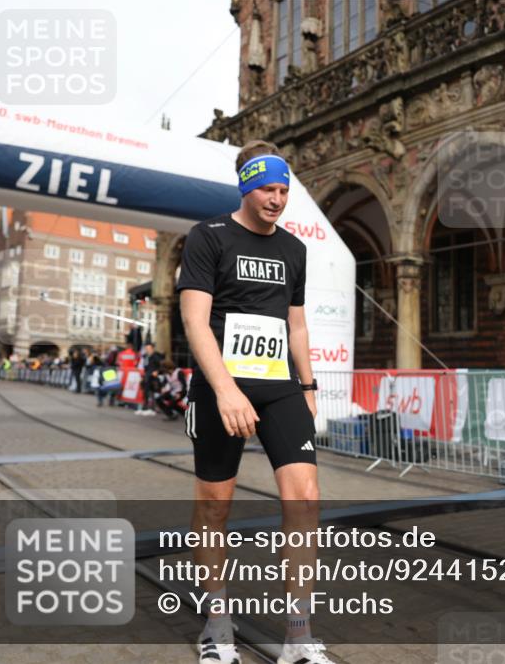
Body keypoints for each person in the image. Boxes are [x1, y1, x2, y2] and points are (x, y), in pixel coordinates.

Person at [177, 140, 329, 664]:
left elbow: (297, 324)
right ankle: (217, 628)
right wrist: (225, 390)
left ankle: (299, 635)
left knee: (304, 500)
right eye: (268, 188)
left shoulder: (294, 249)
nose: (278, 199)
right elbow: (195, 320)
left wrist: (308, 388)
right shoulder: (209, 237)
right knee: (214, 507)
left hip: (280, 385)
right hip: (222, 388)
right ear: (247, 186)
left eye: (285, 190)